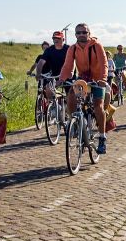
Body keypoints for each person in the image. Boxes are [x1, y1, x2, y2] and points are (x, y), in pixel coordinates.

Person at [59, 23, 110, 154]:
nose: (81, 34)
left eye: (84, 32)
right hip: (83, 79)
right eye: (78, 32)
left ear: (89, 33)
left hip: (98, 79)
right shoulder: (73, 49)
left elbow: (104, 63)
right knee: (71, 93)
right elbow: (67, 65)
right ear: (75, 34)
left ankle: (102, 138)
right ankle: (74, 122)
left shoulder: (96, 46)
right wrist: (62, 79)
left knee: (98, 106)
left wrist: (103, 79)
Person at [36, 31, 69, 112]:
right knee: (48, 88)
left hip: (68, 76)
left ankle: (69, 111)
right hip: (55, 76)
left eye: (58, 38)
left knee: (70, 96)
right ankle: (54, 106)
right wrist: (38, 74)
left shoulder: (68, 49)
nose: (56, 40)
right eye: (54, 38)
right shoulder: (49, 50)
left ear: (63, 39)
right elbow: (40, 63)